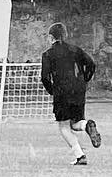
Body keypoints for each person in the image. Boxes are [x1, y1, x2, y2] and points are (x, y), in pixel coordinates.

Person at [39, 23, 101, 165]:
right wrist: (85, 79)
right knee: (75, 123)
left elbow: (44, 77)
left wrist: (52, 91)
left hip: (62, 92)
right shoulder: (75, 50)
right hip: (78, 91)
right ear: (64, 35)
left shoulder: (48, 54)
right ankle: (87, 125)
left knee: (64, 126)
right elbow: (91, 64)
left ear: (50, 37)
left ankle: (80, 156)